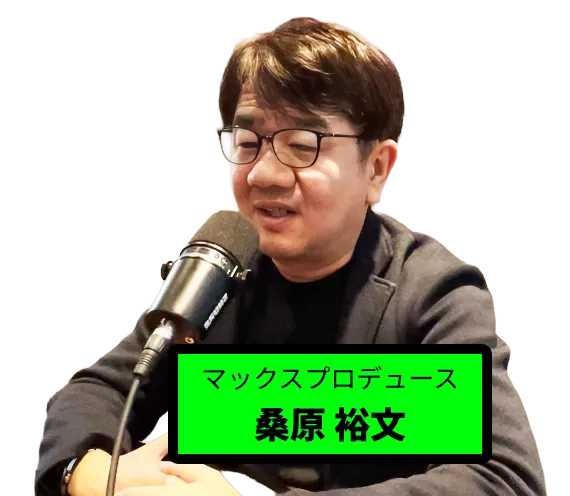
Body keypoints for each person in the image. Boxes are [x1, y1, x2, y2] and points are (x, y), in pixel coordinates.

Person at [35, 16, 546, 495]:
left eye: (302, 145)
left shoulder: (433, 293)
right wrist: (88, 474)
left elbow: (504, 478)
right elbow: (103, 388)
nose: (263, 174)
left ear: (377, 168)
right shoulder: (220, 269)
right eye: (248, 142)